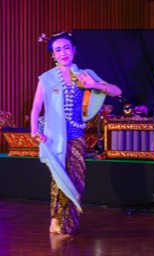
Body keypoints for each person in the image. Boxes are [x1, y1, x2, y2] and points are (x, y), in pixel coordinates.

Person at [30, 31, 121, 236]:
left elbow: (117, 91)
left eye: (66, 48)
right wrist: (34, 131)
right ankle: (56, 221)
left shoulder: (84, 74)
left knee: (76, 180)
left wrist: (94, 85)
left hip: (76, 136)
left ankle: (65, 221)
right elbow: (36, 107)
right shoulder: (47, 78)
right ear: (53, 54)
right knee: (59, 179)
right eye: (58, 50)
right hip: (54, 137)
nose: (63, 53)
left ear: (74, 50)